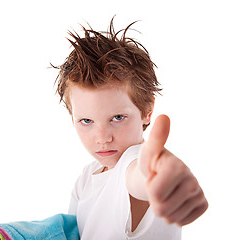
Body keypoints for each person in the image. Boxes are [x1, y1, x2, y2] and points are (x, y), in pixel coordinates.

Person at [54, 18, 208, 239]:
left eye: (117, 117)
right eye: (86, 121)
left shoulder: (133, 161)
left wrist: (158, 174)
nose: (102, 138)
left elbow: (138, 176)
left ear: (147, 110)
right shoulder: (86, 179)